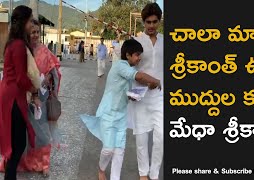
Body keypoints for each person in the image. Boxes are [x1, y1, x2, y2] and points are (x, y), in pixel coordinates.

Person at [80, 39, 161, 180]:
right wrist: (156, 80)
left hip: (121, 116)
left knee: (119, 152)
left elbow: (128, 92)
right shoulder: (120, 66)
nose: (139, 58)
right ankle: (101, 169)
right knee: (108, 150)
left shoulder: (130, 69)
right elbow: (140, 76)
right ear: (128, 55)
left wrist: (142, 90)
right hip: (108, 114)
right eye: (137, 55)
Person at [0, 19, 62, 177]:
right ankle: (17, 162)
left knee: (42, 132)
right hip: (22, 98)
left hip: (40, 97)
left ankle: (43, 163)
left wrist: (49, 76)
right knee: (22, 134)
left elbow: (54, 69)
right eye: (32, 32)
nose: (35, 35)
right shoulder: (21, 49)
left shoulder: (44, 51)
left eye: (37, 32)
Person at [0, 5, 41, 180]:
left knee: (14, 144)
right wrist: (35, 90)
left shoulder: (14, 43)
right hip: (13, 98)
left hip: (10, 95)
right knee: (17, 145)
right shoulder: (17, 45)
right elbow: (21, 78)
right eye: (31, 20)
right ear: (24, 21)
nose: (33, 24)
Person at [127, 3, 163, 180]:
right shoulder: (137, 41)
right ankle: (143, 174)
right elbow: (129, 68)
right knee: (141, 138)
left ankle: (154, 174)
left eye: (154, 22)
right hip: (140, 93)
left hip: (160, 96)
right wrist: (142, 82)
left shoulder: (165, 41)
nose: (151, 26)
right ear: (143, 22)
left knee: (161, 136)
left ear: (159, 21)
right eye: (147, 22)